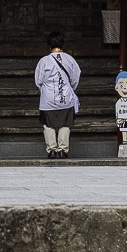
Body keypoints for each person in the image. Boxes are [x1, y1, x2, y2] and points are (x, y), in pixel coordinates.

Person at [35, 31, 81, 159]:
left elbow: (38, 81)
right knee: (65, 124)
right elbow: (75, 78)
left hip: (48, 99)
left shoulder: (44, 61)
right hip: (65, 97)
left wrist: (45, 90)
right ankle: (62, 150)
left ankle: (52, 150)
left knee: (48, 125)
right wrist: (69, 88)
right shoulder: (70, 59)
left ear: (49, 45)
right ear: (62, 44)